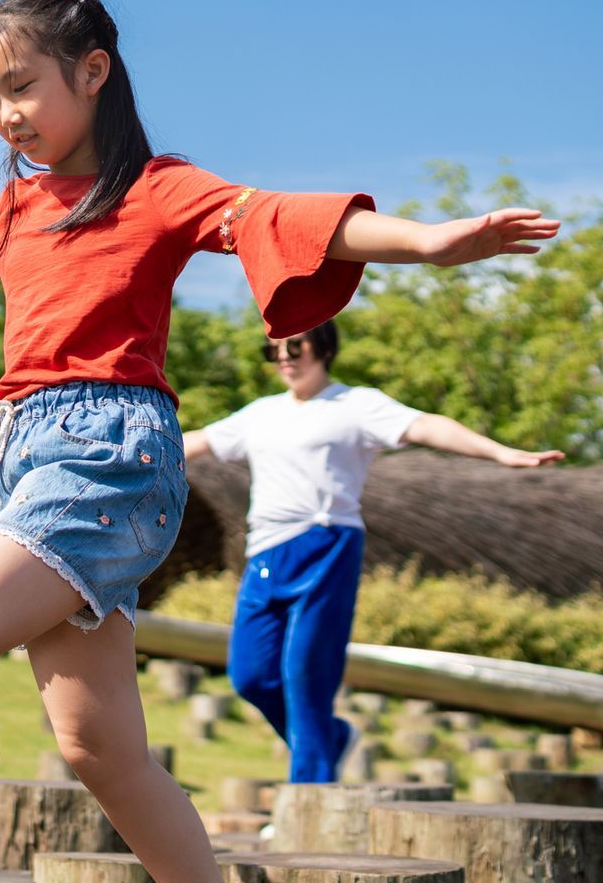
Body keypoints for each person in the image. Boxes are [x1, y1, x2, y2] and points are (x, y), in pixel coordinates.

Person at [0, 0, 559, 883]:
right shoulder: (15, 208)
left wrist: (432, 241)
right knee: (98, 742)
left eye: (24, 87)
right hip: (34, 456)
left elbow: (277, 220)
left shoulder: (154, 189)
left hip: (107, 456)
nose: (7, 115)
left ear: (93, 73)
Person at [185, 322, 564, 785]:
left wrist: (499, 453)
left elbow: (426, 425)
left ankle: (310, 795)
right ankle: (330, 738)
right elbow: (196, 442)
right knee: (250, 676)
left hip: (326, 545)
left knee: (306, 677)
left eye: (294, 346)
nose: (284, 357)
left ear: (323, 348)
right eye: (274, 351)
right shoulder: (261, 413)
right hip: (265, 552)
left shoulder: (355, 404)